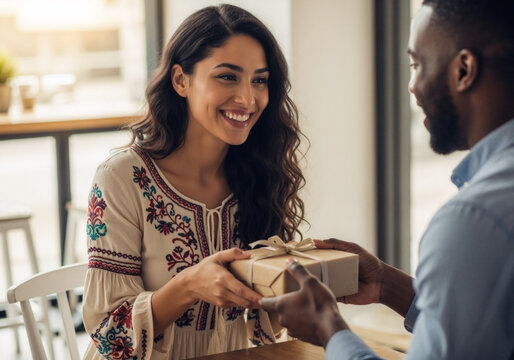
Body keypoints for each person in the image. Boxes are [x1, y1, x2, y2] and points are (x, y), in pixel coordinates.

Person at [262, 0, 514, 358]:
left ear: (464, 70)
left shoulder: (473, 221)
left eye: (416, 64)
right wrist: (386, 284)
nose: (411, 87)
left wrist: (328, 329)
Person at [82, 4, 305, 359]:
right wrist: (188, 286)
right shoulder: (122, 178)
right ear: (181, 80)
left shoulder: (261, 174)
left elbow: (264, 326)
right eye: (227, 76)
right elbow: (110, 338)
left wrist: (293, 292)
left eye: (259, 80)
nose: (248, 99)